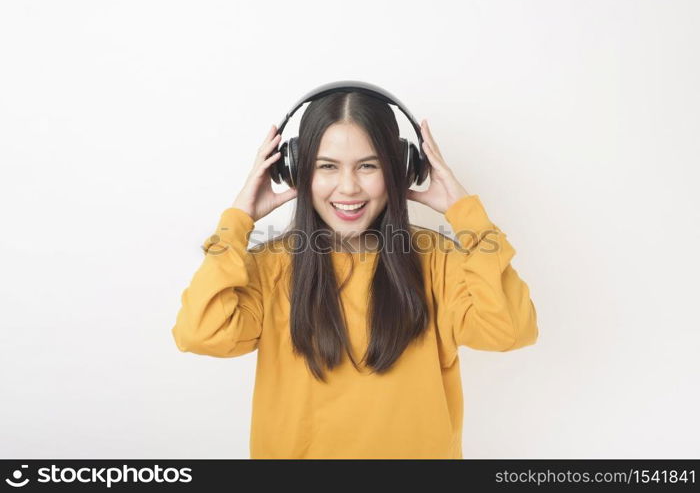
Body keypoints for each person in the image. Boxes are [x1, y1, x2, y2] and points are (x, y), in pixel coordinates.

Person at [171, 90, 539, 459]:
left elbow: (509, 330)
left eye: (368, 165)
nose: (348, 187)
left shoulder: (437, 261)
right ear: (295, 170)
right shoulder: (270, 266)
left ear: (400, 169)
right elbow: (202, 334)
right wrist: (239, 219)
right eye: (326, 166)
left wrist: (466, 214)